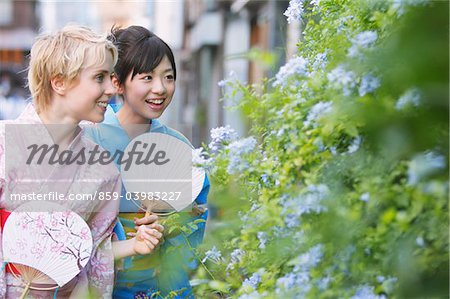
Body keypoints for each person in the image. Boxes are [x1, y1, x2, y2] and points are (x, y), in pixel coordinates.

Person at [0, 25, 163, 298]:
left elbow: (94, 249)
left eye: (112, 77)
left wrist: (135, 245)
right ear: (59, 81)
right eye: (99, 77)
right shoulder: (5, 143)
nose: (112, 88)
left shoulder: (102, 168)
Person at [85, 25, 210, 298]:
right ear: (117, 82)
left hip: (159, 287)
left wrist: (170, 225)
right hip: (101, 287)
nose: (160, 88)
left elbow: (196, 215)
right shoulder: (88, 138)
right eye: (147, 77)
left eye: (168, 77)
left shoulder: (179, 147)